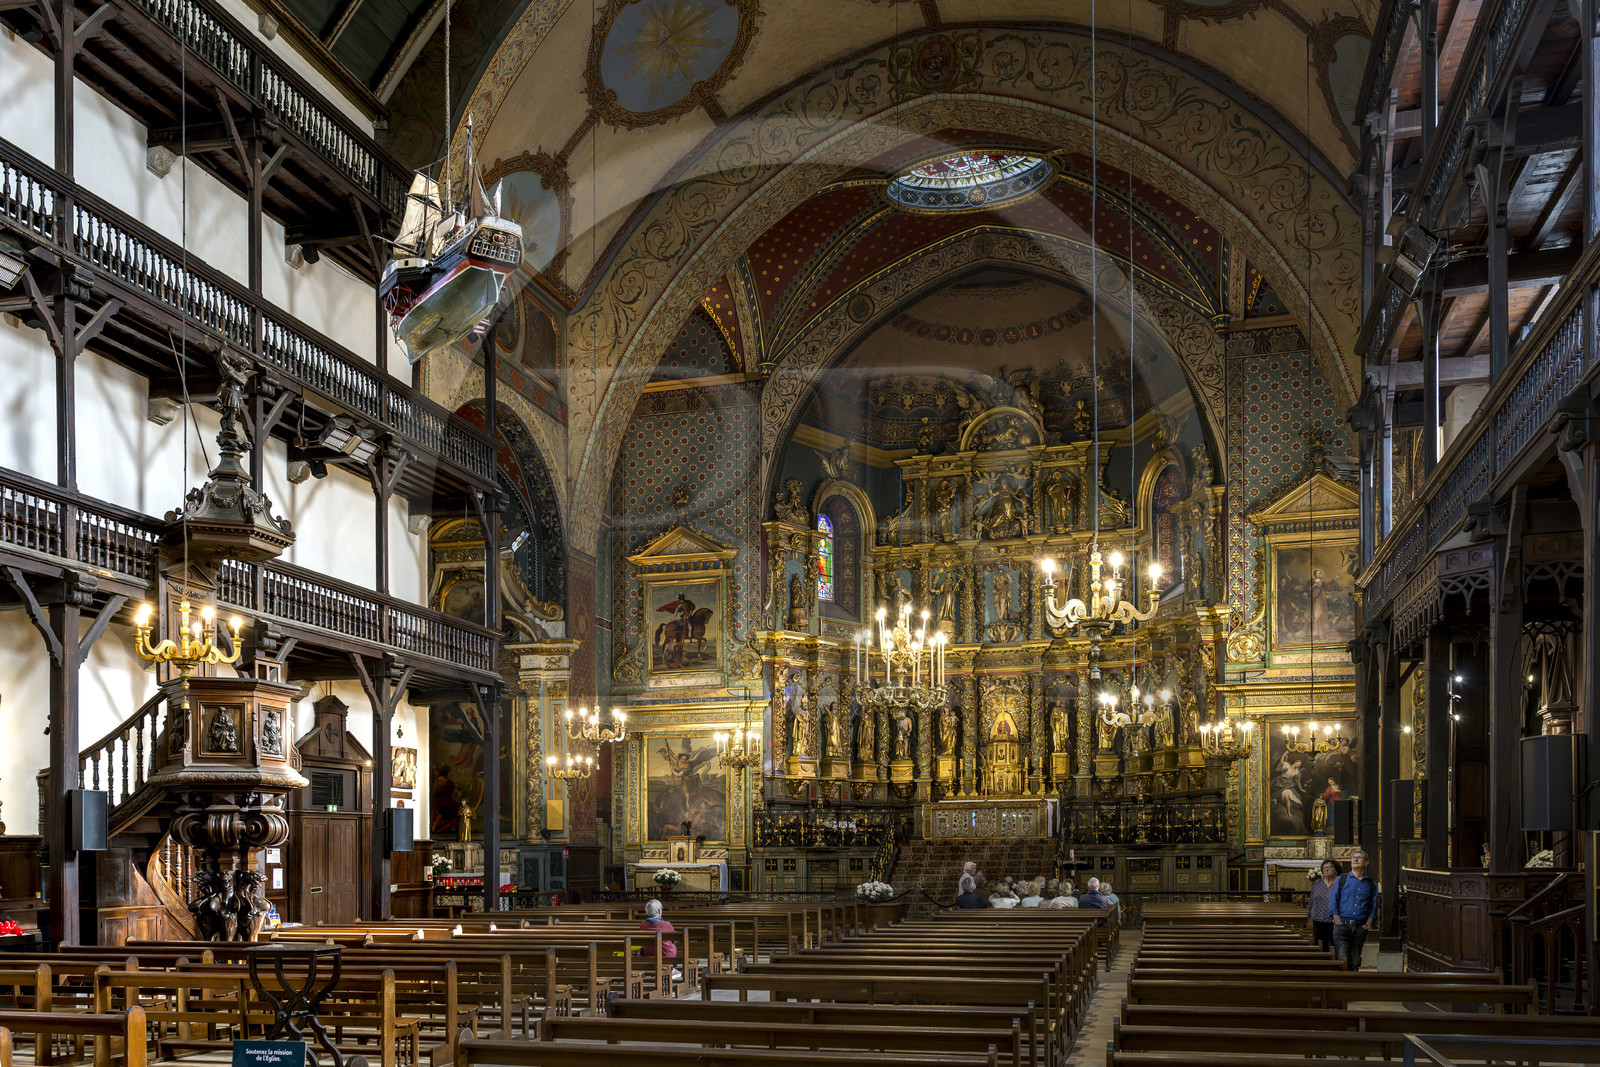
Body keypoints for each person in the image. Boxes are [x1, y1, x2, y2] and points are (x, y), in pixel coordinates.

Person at [1330, 850, 1379, 970]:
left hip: (1360, 927)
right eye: (1353, 857)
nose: (1355, 860)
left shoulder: (1371, 884)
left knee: (1355, 960)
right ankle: (1343, 981)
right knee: (1343, 957)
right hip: (1342, 925)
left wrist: (1369, 922)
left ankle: (1354, 980)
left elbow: (1374, 904)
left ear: (1366, 862)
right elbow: (1333, 899)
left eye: (1359, 857)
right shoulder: (1341, 879)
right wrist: (1337, 919)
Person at [637, 898, 682, 980]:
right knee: (674, 943)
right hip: (666, 956)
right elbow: (673, 940)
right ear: (659, 910)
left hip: (649, 955)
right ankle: (672, 967)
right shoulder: (667, 925)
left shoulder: (642, 925)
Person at [1308, 858, 1340, 954]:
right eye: (1324, 868)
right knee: (1320, 947)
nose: (1326, 869)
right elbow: (1311, 902)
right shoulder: (1317, 883)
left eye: (1329, 867)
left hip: (1335, 921)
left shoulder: (1341, 884)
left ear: (1336, 870)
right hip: (1318, 920)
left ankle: (1337, 962)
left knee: (1336, 946)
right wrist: (1309, 918)